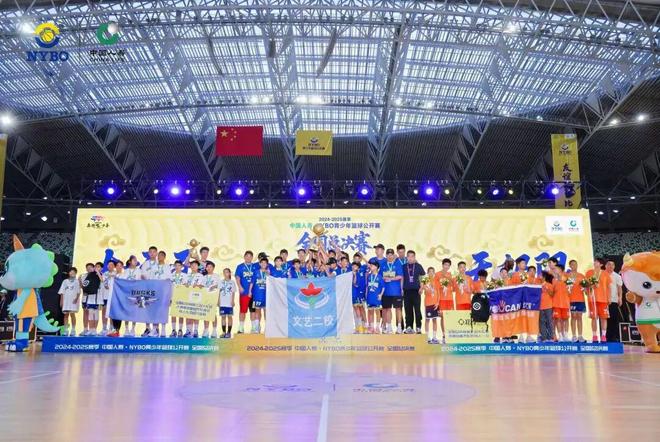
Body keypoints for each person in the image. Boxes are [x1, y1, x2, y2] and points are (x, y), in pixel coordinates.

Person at [585, 257, 611, 343]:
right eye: (594, 261)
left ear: (601, 264)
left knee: (604, 318)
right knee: (594, 318)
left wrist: (609, 298)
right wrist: (590, 286)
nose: (595, 263)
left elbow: (608, 287)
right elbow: (585, 284)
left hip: (603, 299)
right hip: (592, 299)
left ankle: (603, 336)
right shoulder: (589, 272)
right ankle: (594, 336)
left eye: (596, 262)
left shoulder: (605, 273)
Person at [149, 251, 172, 337]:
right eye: (158, 255)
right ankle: (154, 329)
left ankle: (163, 329)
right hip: (155, 292)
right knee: (154, 311)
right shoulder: (154, 267)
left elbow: (169, 280)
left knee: (163, 311)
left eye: (162, 256)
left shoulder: (167, 267)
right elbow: (151, 279)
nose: (159, 257)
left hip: (163, 292)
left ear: (164, 257)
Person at [381, 248, 403, 334]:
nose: (389, 256)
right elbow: (380, 276)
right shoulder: (383, 265)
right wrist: (384, 278)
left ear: (393, 255)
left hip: (396, 291)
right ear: (386, 255)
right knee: (388, 309)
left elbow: (400, 276)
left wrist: (391, 278)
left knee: (398, 309)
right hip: (386, 291)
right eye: (388, 254)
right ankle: (389, 327)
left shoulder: (397, 264)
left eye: (391, 255)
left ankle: (399, 327)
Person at [118, 256, 142, 336]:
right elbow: (121, 281)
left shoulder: (139, 271)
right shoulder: (126, 271)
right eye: (134, 260)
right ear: (129, 261)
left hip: (136, 294)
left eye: (136, 260)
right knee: (126, 311)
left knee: (134, 312)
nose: (136, 261)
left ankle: (133, 329)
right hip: (127, 294)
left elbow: (142, 281)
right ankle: (126, 329)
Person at [402, 250, 425, 334]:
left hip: (416, 291)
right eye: (409, 256)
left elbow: (423, 277)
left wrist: (421, 288)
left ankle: (418, 327)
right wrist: (401, 289)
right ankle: (409, 327)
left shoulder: (418, 266)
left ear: (414, 257)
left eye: (412, 256)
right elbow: (402, 278)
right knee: (408, 310)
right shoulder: (403, 267)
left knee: (417, 310)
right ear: (407, 257)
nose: (410, 258)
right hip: (406, 291)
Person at [235, 251, 256, 334]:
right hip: (244, 292)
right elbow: (237, 278)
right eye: (247, 256)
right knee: (242, 310)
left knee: (253, 310)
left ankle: (253, 327)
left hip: (254, 293)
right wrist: (240, 287)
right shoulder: (240, 266)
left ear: (252, 258)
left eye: (250, 256)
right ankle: (241, 327)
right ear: (244, 257)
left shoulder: (255, 266)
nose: (248, 258)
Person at [184, 260, 204, 337]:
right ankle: (188, 330)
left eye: (195, 265)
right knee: (187, 314)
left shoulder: (201, 276)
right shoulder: (187, 275)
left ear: (198, 266)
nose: (193, 266)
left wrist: (198, 286)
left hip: (196, 297)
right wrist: (185, 285)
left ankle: (195, 330)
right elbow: (183, 284)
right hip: (187, 297)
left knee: (195, 314)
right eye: (192, 265)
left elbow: (202, 286)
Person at [567, 260, 586, 342]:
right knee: (573, 316)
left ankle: (580, 336)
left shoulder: (581, 276)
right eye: (572, 264)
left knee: (579, 317)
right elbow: (564, 288)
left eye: (575, 264)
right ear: (570, 266)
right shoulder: (567, 276)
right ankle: (574, 336)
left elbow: (585, 289)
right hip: (571, 299)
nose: (574, 266)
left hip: (580, 299)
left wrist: (585, 289)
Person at [249, 257, 269, 333]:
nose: (263, 264)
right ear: (260, 264)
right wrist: (250, 291)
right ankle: (257, 327)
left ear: (267, 264)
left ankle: (267, 328)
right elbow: (252, 282)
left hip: (266, 295)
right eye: (262, 263)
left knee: (266, 311)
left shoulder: (268, 273)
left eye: (265, 263)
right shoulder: (256, 272)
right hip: (256, 295)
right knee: (257, 311)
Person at [80, 263, 102, 336]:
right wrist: (80, 281)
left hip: (97, 298)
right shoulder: (85, 276)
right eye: (87, 267)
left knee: (96, 314)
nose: (89, 269)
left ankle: (94, 329)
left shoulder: (98, 274)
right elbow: (84, 286)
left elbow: (102, 280)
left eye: (91, 267)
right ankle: (89, 329)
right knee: (90, 313)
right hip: (88, 298)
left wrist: (97, 272)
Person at [605, 260, 624, 342]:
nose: (611, 266)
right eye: (609, 264)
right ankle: (604, 336)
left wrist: (620, 298)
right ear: (605, 266)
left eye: (612, 265)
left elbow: (619, 288)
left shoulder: (617, 276)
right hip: (603, 300)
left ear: (614, 266)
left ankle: (612, 337)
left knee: (613, 319)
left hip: (613, 300)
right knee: (604, 319)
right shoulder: (602, 274)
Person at [59, 267, 80, 337]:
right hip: (66, 301)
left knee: (72, 315)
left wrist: (76, 299)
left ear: (75, 273)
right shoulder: (65, 281)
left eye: (73, 272)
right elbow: (62, 292)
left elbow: (78, 292)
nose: (72, 273)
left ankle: (73, 330)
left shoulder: (77, 281)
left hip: (73, 301)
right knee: (66, 315)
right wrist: (61, 301)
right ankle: (65, 330)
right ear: (68, 273)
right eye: (71, 272)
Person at [422, 267, 441, 344]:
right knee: (427, 320)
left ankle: (434, 337)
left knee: (434, 320)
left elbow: (438, 293)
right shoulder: (425, 281)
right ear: (427, 273)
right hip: (428, 303)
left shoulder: (436, 281)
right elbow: (424, 292)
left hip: (435, 304)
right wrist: (426, 289)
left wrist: (437, 302)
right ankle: (427, 337)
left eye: (432, 271)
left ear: (434, 273)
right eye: (429, 271)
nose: (431, 273)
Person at [202, 261, 221, 338]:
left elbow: (219, 287)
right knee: (206, 314)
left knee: (213, 314)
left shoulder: (217, 276)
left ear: (213, 268)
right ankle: (206, 330)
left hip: (213, 297)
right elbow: (202, 287)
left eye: (210, 267)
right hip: (205, 298)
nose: (209, 268)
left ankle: (214, 330)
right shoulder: (204, 277)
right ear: (206, 268)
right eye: (207, 267)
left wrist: (218, 300)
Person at [552, 264, 570, 341]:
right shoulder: (553, 280)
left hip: (565, 302)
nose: (554, 270)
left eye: (556, 268)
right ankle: (560, 336)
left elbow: (570, 288)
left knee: (566, 319)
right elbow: (552, 291)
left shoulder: (566, 278)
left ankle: (566, 335)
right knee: (558, 319)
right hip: (556, 303)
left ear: (560, 269)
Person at [365, 260, 384, 334]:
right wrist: (366, 295)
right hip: (370, 297)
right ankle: (372, 327)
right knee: (370, 312)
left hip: (377, 297)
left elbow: (383, 287)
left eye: (372, 265)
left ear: (376, 267)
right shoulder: (369, 276)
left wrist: (381, 295)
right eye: (370, 265)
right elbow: (367, 286)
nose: (370, 267)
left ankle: (377, 327)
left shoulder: (379, 276)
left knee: (377, 311)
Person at [169, 260, 186, 338]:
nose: (177, 267)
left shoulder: (185, 276)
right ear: (174, 266)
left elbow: (187, 286)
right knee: (173, 314)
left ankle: (180, 330)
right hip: (173, 297)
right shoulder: (171, 275)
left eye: (179, 265)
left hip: (182, 297)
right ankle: (173, 330)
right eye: (176, 265)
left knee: (180, 314)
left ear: (182, 267)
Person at [99, 261, 116, 336]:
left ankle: (111, 328)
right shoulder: (105, 273)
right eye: (108, 265)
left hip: (113, 296)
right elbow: (102, 281)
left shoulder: (116, 274)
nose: (109, 266)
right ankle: (104, 328)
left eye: (111, 265)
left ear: (114, 266)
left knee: (111, 312)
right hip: (105, 296)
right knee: (104, 312)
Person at [219, 268, 236, 338]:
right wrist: (218, 301)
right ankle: (223, 332)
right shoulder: (220, 282)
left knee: (229, 317)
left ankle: (229, 332)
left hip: (229, 303)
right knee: (223, 317)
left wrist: (233, 301)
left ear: (229, 273)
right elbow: (219, 292)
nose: (225, 273)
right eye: (224, 272)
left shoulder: (232, 282)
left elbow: (233, 292)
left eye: (227, 272)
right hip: (222, 302)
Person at [351, 261, 367, 333]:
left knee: (361, 309)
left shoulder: (360, 273)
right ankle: (359, 326)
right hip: (354, 293)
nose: (354, 267)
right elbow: (353, 283)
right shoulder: (351, 273)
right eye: (353, 266)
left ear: (358, 267)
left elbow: (356, 283)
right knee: (356, 308)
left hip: (360, 293)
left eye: (356, 266)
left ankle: (365, 325)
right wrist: (354, 275)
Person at [539, 271, 555, 342]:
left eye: (540, 275)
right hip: (540, 306)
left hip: (548, 306)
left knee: (549, 321)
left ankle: (551, 337)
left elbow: (552, 294)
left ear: (544, 277)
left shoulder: (549, 285)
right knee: (542, 322)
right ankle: (544, 337)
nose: (539, 276)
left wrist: (547, 289)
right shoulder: (537, 285)